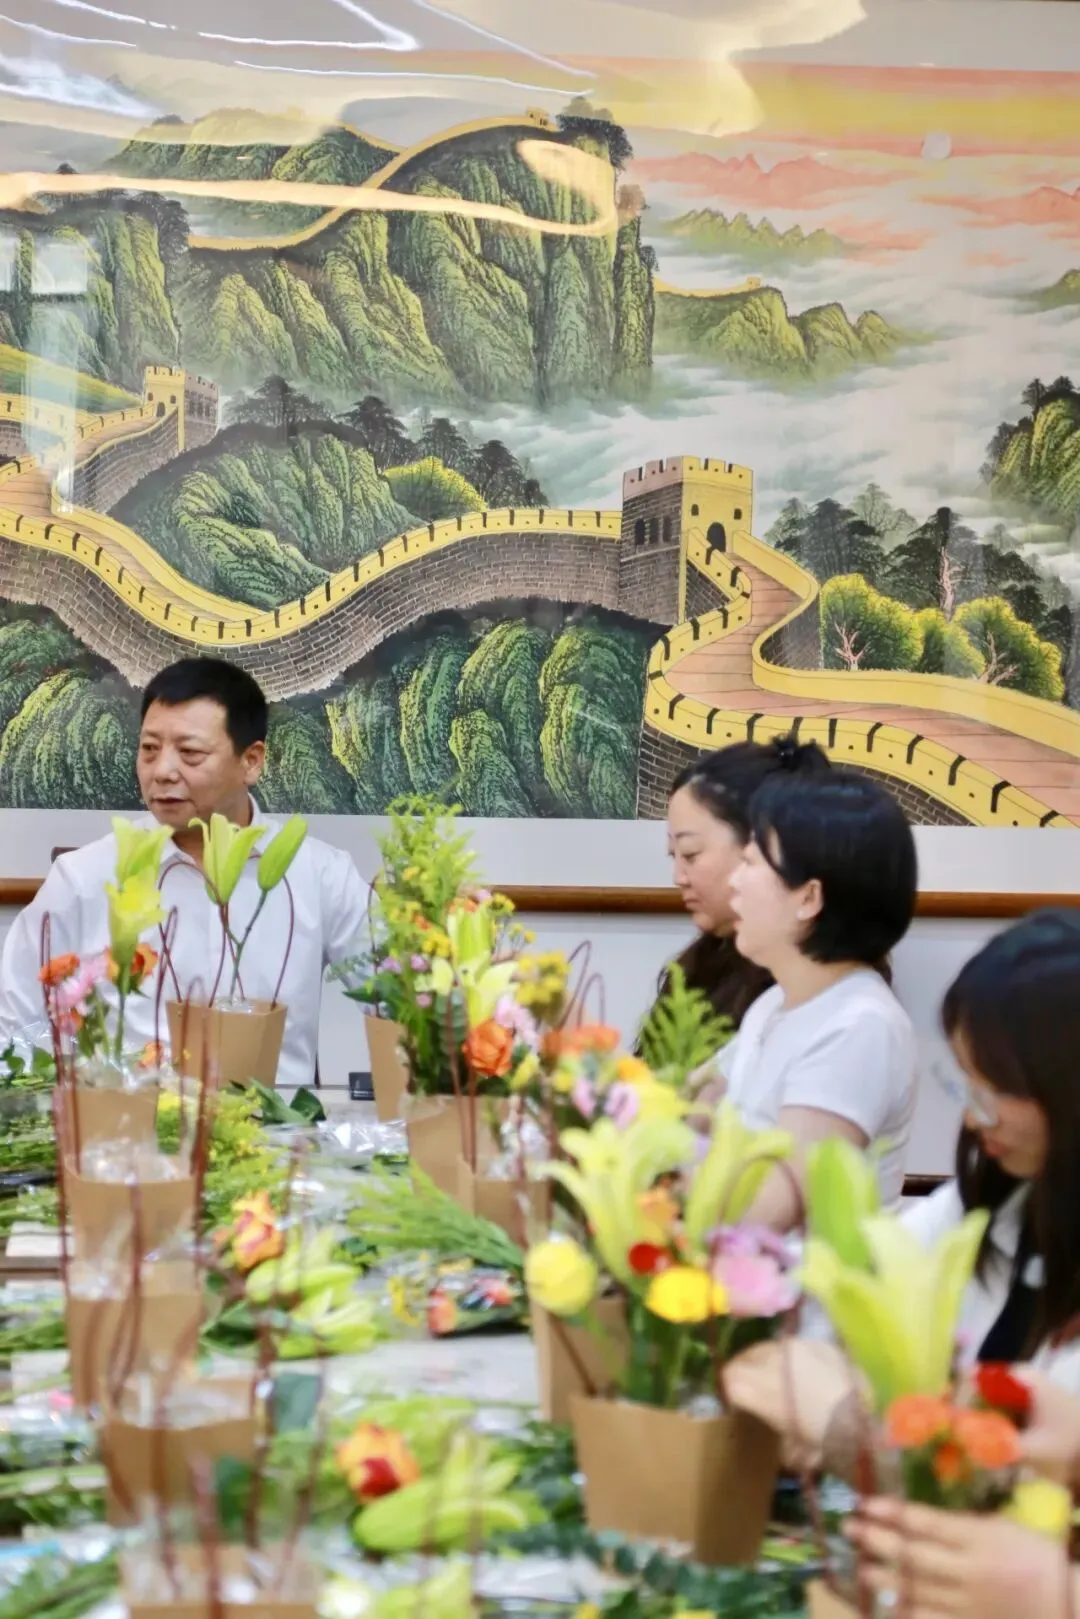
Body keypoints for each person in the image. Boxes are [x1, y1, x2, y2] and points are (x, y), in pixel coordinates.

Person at [724, 910, 1080, 1466]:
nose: (973, 1118)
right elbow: (860, 1282)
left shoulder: (860, 1022)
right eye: (967, 1084)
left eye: (995, 1091)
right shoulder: (996, 1202)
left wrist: (849, 1428)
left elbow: (1027, 1465)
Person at [0, 657, 367, 1089]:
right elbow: (14, 1030)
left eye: (190, 753)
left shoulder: (319, 875)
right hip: (131, 1124)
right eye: (149, 749)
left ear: (251, 761)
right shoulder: (84, 878)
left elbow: (407, 999)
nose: (162, 772)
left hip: (276, 1125)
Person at [713, 754, 919, 1224]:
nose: (734, 882)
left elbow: (768, 1213)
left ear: (808, 897)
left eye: (750, 862)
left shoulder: (860, 1027)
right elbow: (688, 1110)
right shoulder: (774, 1004)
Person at [661, 736, 833, 1029]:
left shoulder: (816, 991)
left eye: (690, 854)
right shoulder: (701, 964)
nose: (678, 878)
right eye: (672, 855)